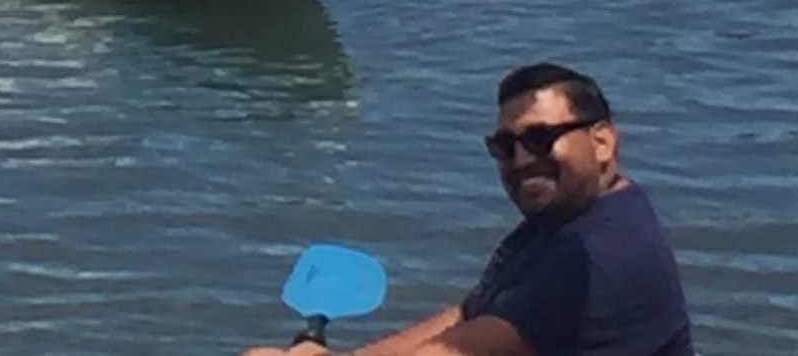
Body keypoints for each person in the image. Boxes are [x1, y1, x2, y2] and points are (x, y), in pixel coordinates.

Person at [244, 63, 692, 356]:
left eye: (539, 139)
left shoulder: (603, 258)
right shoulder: (565, 220)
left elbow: (459, 352)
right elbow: (471, 315)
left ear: (602, 142)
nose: (519, 160)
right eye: (503, 145)